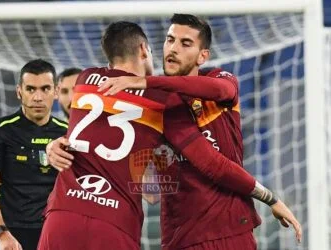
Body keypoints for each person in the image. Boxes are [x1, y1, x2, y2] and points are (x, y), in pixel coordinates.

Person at [37, 21, 290, 250]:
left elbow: (148, 186)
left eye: (185, 42)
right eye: (170, 40)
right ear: (145, 49)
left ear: (204, 55)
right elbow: (209, 163)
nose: (173, 48)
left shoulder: (86, 78)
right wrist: (269, 197)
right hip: (124, 223)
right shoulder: (162, 102)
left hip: (63, 213)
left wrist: (52, 147)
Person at [0, 59, 67, 250]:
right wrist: (2, 234)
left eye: (45, 89)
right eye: (30, 89)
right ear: (19, 91)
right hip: (12, 234)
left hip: (55, 231)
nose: (37, 97)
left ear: (56, 91)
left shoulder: (67, 134)